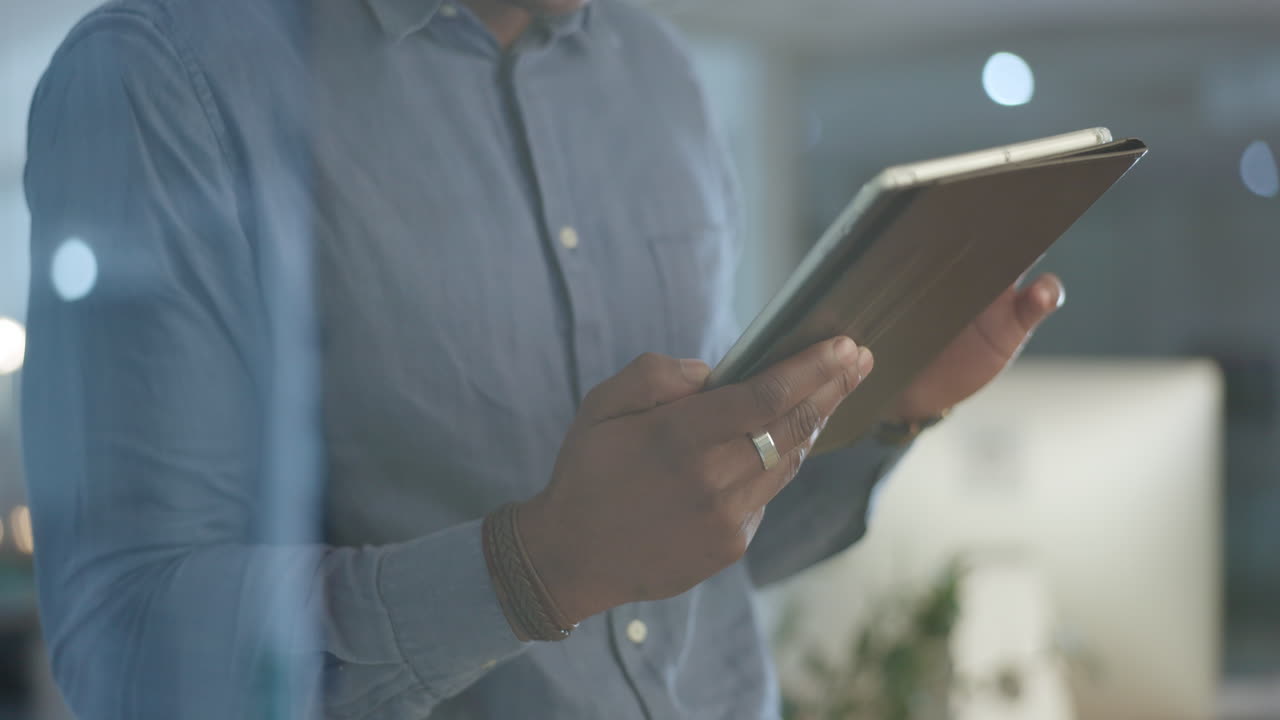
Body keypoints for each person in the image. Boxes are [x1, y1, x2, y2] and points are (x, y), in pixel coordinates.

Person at [21, 0, 1065, 717]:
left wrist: (883, 410)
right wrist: (531, 569)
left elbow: (686, 552)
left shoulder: (656, 72)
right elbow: (129, 639)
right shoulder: (162, 76)